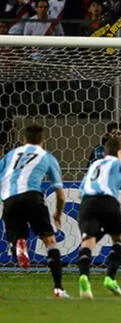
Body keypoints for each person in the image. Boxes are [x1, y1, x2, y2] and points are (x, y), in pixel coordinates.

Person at [0, 124, 68, 298]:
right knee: (50, 242)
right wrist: (58, 213)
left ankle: (18, 243)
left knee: (17, 234)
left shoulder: (10, 155)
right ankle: (58, 289)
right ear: (42, 141)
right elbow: (60, 194)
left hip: (9, 200)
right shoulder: (47, 157)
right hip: (32, 197)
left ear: (24, 140)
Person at [76, 137, 121, 299]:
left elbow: (81, 190)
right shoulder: (119, 161)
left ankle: (84, 278)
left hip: (87, 202)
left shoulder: (94, 165)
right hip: (108, 200)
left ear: (104, 152)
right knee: (118, 239)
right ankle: (110, 277)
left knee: (88, 241)